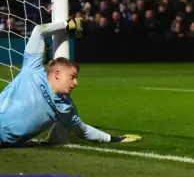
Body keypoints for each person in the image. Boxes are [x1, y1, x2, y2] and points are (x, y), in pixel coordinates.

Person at [0, 18, 141, 147]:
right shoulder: (33, 69)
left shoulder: (66, 107)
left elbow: (83, 130)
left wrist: (114, 138)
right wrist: (67, 25)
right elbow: (39, 31)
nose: (76, 83)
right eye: (72, 77)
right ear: (57, 74)